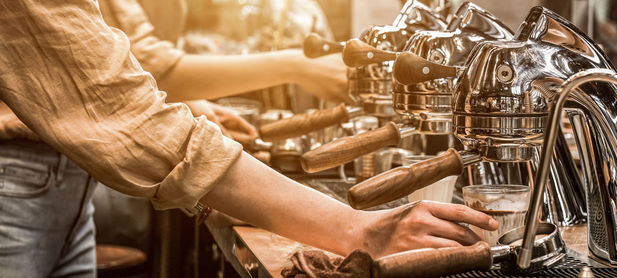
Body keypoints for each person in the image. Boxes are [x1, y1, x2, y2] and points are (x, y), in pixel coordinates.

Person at [0, 2, 498, 278]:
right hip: (13, 181)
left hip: (68, 184)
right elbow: (122, 112)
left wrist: (188, 110)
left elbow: (111, 71)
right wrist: (352, 228)